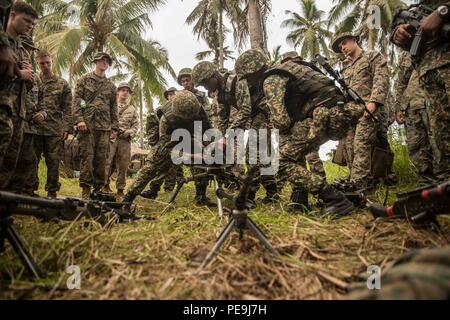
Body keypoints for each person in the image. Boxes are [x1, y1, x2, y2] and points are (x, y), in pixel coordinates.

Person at [235, 49, 360, 215]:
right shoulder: (292, 67)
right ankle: (299, 198)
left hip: (323, 116)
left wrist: (276, 125)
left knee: (280, 161)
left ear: (253, 71)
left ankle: (333, 198)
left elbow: (281, 121)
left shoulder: (271, 79)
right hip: (338, 111)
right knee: (291, 145)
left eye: (247, 77)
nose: (248, 82)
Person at [122, 90, 213, 206]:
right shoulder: (166, 119)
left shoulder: (200, 111)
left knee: (202, 158)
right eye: (185, 118)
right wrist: (191, 156)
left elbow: (208, 132)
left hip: (191, 135)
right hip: (170, 137)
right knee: (152, 165)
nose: (188, 119)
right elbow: (169, 150)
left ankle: (201, 196)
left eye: (191, 117)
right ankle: (128, 198)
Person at [392, 1, 450, 182]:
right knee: (440, 133)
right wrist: (397, 33)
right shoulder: (416, 9)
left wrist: (442, 12)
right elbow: (401, 79)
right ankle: (441, 184)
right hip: (429, 70)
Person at [331, 32, 389, 189]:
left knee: (361, 145)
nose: (342, 48)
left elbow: (381, 79)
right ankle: (356, 180)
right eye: (339, 46)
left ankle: (359, 186)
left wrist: (374, 102)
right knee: (349, 149)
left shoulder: (372, 56)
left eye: (344, 43)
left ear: (354, 40)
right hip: (351, 114)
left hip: (368, 109)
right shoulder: (345, 69)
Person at [0, 1, 39, 189]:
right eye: (26, 21)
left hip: (17, 112)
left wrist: (28, 76)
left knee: (10, 161)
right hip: (3, 106)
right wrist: (19, 72)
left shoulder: (20, 48)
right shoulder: (3, 43)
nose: (29, 26)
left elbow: (28, 84)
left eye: (32, 24)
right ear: (12, 16)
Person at [72, 52, 118, 199]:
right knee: (87, 157)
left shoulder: (111, 85)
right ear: (96, 62)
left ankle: (98, 189)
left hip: (104, 127)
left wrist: (115, 127)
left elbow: (113, 107)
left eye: (107, 61)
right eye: (102, 60)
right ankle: (86, 189)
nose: (104, 63)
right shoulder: (84, 80)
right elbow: (76, 102)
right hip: (87, 126)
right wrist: (79, 120)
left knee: (101, 159)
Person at [32, 50, 72, 198]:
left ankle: (52, 191)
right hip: (34, 128)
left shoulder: (62, 83)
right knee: (32, 160)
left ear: (52, 61)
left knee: (53, 161)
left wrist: (66, 127)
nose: (45, 65)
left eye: (48, 62)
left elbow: (68, 108)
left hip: (54, 129)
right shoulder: (33, 80)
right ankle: (30, 190)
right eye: (42, 63)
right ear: (37, 63)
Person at [103, 82, 139, 196]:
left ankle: (120, 189)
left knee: (123, 165)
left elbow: (135, 125)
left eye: (127, 91)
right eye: (123, 90)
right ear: (118, 92)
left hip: (125, 140)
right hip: (111, 138)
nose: (125, 92)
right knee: (107, 163)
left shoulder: (132, 109)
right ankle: (104, 185)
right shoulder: (111, 106)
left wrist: (130, 132)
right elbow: (104, 120)